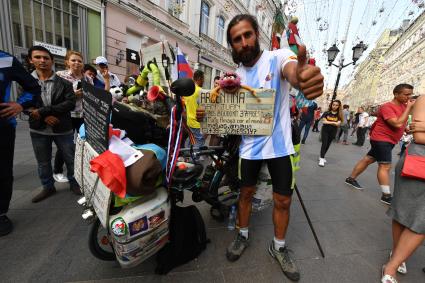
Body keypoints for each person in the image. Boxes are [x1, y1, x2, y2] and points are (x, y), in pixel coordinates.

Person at [197, 14, 323, 281]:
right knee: (244, 195)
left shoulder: (278, 58)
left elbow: (294, 72)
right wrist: (209, 113)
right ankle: (242, 235)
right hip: (249, 150)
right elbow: (226, 115)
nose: (243, 42)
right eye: (236, 39)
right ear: (232, 45)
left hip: (280, 148)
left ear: (257, 35)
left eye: (247, 35)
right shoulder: (235, 77)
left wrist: (302, 76)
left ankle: (278, 247)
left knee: (283, 200)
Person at [27, 45, 81, 202]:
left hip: (62, 128)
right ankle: (48, 187)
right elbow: (24, 103)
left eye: (46, 58)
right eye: (38, 57)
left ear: (52, 61)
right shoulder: (26, 81)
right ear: (31, 60)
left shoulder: (64, 83)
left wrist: (44, 111)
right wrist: (44, 117)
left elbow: (70, 102)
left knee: (70, 158)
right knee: (43, 162)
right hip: (38, 129)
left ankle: (74, 183)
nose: (42, 61)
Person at [345, 84, 415, 205]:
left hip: (389, 140)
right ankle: (386, 196)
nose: (409, 97)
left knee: (368, 159)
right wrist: (409, 108)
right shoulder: (386, 107)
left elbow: (401, 123)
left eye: (410, 94)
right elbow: (397, 123)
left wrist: (406, 129)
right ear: (396, 94)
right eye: (406, 94)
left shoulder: (404, 106)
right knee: (385, 166)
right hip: (381, 139)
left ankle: (350, 179)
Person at [381, 95, 425, 283]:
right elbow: (420, 136)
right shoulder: (424, 100)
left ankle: (392, 263)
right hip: (419, 161)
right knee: (403, 212)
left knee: (422, 220)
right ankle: (396, 256)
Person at [0, 50, 41, 236]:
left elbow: (33, 87)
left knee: (2, 172)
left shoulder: (5, 59)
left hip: (2, 127)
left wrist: (20, 105)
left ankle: (1, 213)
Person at [53, 50, 86, 183]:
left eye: (79, 60)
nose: (77, 63)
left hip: (84, 115)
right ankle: (58, 170)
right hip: (67, 115)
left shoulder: (86, 78)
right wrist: (74, 95)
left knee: (84, 142)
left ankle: (81, 169)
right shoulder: (60, 76)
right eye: (73, 60)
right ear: (67, 62)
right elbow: (55, 96)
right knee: (65, 144)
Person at [183, 70, 205, 148]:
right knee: (198, 143)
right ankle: (194, 159)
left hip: (189, 122)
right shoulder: (200, 91)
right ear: (199, 78)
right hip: (197, 124)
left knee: (190, 139)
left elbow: (185, 105)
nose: (204, 81)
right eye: (203, 79)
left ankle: (186, 156)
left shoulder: (188, 90)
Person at [318, 100, 343, 167]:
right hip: (325, 130)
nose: (334, 106)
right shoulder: (327, 113)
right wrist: (334, 122)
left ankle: (321, 156)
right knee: (324, 143)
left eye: (336, 105)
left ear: (339, 106)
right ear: (331, 105)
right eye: (333, 104)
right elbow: (324, 122)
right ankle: (322, 159)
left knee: (328, 144)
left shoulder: (339, 115)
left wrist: (330, 122)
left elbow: (338, 124)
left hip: (333, 131)